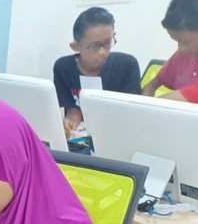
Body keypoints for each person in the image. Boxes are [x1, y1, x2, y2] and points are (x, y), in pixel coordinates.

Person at [53, 7, 141, 140]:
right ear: (76, 47)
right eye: (94, 46)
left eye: (108, 43)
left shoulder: (127, 66)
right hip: (82, 137)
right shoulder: (63, 68)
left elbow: (131, 113)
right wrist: (70, 122)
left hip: (118, 134)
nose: (103, 52)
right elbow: (72, 109)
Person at [142, 0, 198, 97]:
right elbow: (151, 85)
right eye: (177, 41)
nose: (180, 48)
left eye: (185, 42)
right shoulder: (182, 56)